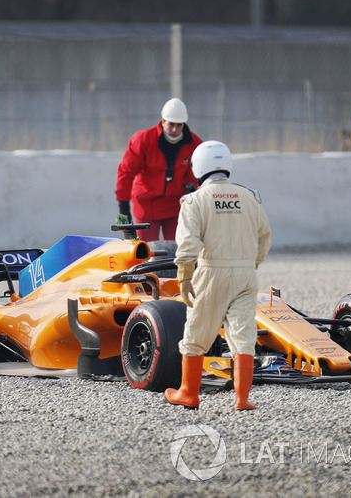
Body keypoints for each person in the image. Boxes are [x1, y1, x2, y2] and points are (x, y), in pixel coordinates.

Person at [165, 140, 271, 411]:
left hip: (212, 272)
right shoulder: (250, 197)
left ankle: (188, 392)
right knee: (243, 334)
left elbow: (188, 243)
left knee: (197, 332)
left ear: (198, 168)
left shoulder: (194, 200)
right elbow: (264, 238)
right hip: (246, 274)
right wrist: (251, 263)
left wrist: (185, 275)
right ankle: (242, 398)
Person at [116, 98, 202, 242]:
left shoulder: (195, 144)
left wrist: (196, 198)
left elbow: (198, 176)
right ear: (162, 121)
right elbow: (126, 173)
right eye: (171, 124)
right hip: (146, 207)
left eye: (179, 125)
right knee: (143, 252)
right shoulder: (143, 141)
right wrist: (123, 213)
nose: (175, 130)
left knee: (177, 252)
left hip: (176, 207)